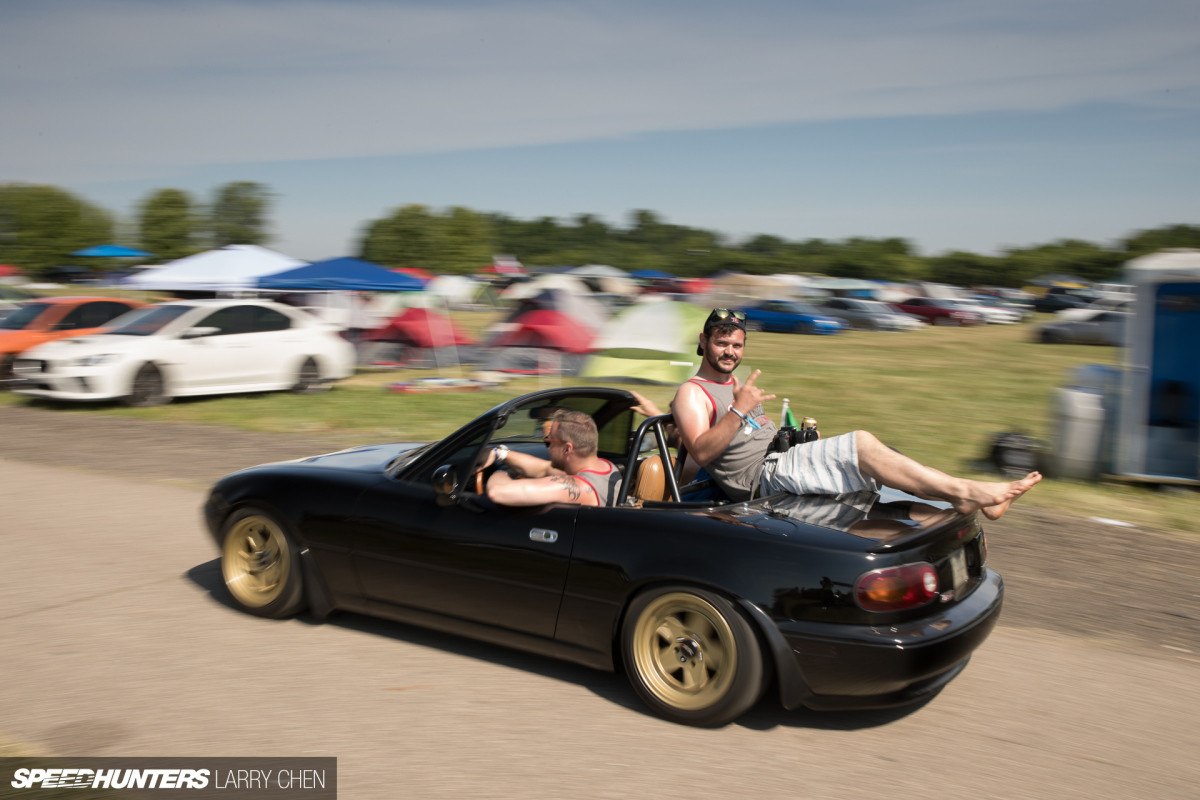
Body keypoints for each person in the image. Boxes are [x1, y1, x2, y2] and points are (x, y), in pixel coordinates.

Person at [669, 308, 1041, 520]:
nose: (730, 352)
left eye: (737, 345)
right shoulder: (692, 392)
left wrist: (784, 433)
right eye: (722, 343)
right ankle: (966, 492)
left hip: (779, 461)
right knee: (861, 444)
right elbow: (700, 451)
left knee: (881, 470)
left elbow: (743, 437)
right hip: (761, 480)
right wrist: (738, 410)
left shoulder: (735, 382)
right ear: (703, 341)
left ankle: (955, 508)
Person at [480, 409, 623, 507]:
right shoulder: (607, 467)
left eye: (549, 441)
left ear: (567, 449)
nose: (547, 447)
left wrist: (501, 472)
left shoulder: (580, 488)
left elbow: (497, 492)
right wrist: (499, 454)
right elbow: (543, 468)